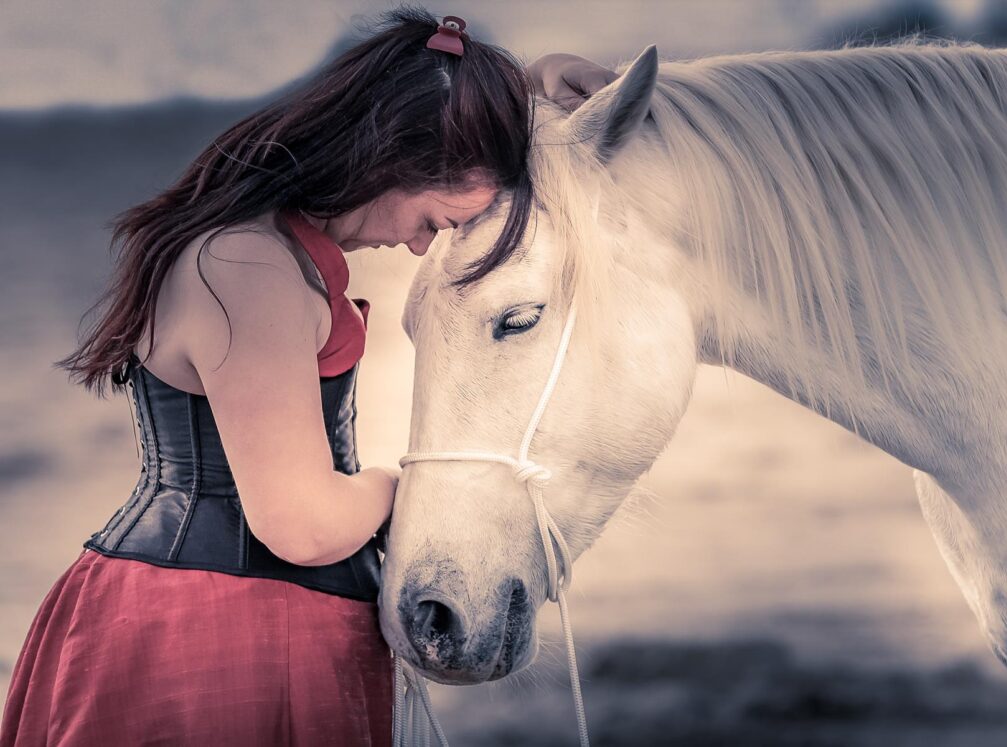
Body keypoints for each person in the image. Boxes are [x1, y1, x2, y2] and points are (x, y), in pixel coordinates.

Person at [0, 7, 618, 746]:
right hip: (215, 636)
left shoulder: (252, 247)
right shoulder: (247, 268)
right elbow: (301, 523)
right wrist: (412, 488)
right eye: (436, 219)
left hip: (224, 612)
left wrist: (532, 85)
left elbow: (433, 109)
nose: (422, 246)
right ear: (396, 157)